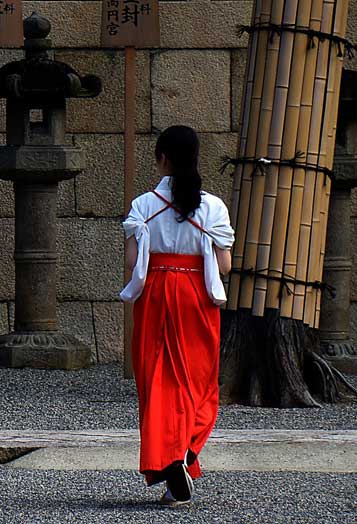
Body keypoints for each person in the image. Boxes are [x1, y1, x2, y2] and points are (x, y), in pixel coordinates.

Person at [120, 125, 234, 507]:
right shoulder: (214, 207)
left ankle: (170, 463)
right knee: (199, 381)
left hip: (155, 294)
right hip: (196, 297)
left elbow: (133, 262)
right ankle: (184, 456)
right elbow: (226, 265)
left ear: (161, 158)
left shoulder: (143, 206)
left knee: (156, 382)